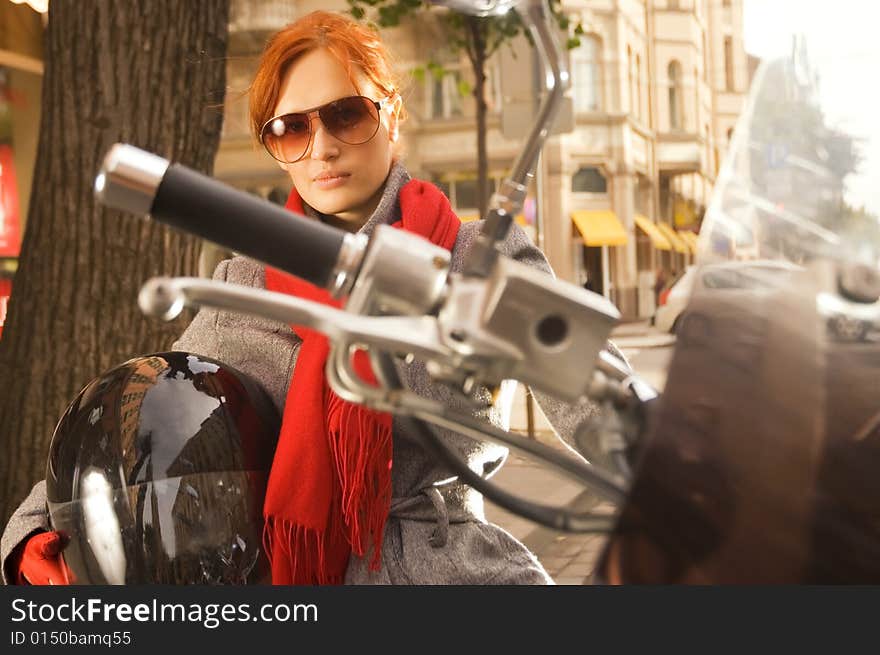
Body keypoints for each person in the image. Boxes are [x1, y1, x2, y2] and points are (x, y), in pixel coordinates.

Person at [2, 10, 620, 585]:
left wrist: (676, 466)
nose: (321, 146)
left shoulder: (479, 259)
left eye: (346, 115)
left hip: (455, 573)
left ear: (391, 117)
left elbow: (597, 397)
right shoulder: (245, 284)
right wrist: (34, 534)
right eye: (291, 127)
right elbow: (151, 421)